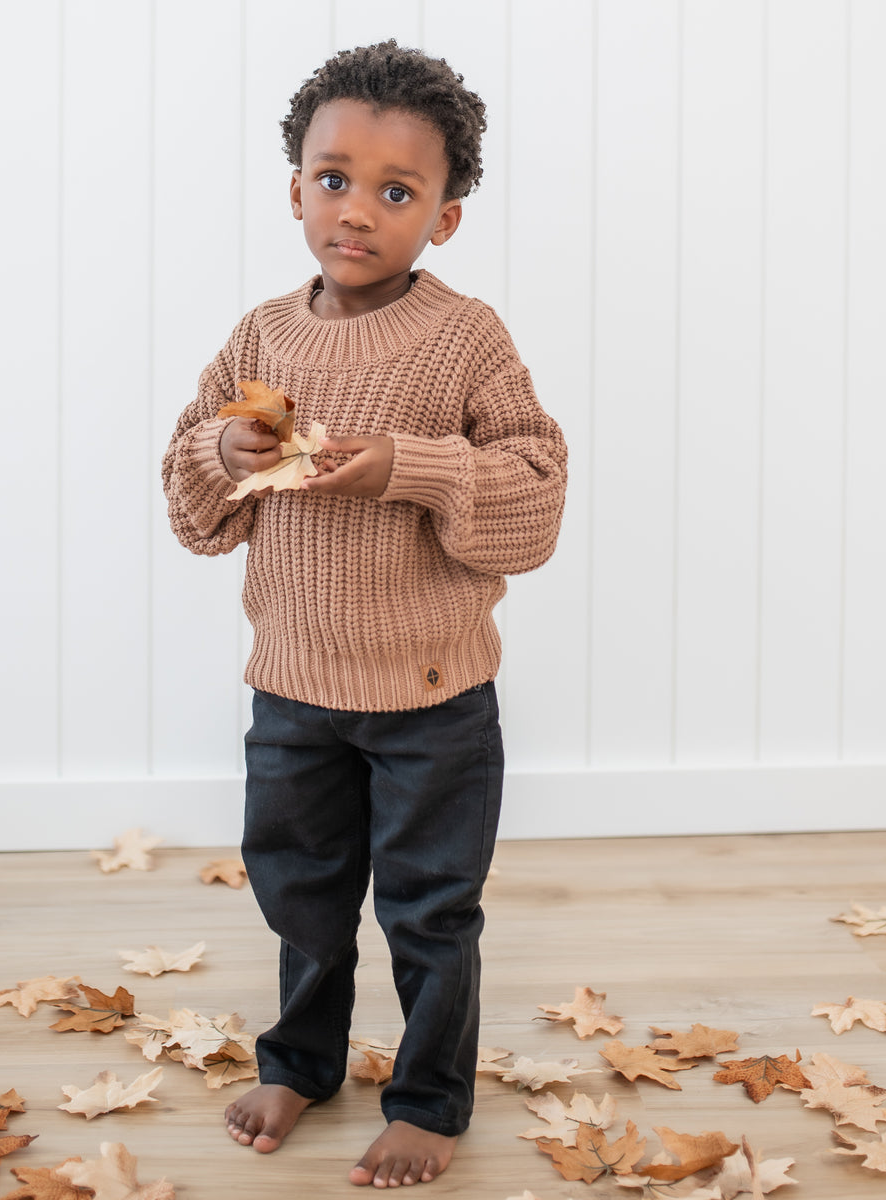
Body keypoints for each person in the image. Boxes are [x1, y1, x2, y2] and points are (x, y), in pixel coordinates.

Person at [161, 40, 567, 1188]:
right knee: (301, 899)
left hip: (435, 700)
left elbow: (536, 499)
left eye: (397, 192)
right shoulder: (261, 337)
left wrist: (409, 467)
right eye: (335, 179)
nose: (357, 210)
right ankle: (301, 1062)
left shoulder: (467, 339)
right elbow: (193, 507)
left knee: (431, 913)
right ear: (295, 189)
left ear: (444, 218)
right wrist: (224, 450)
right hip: (294, 690)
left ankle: (430, 1102)